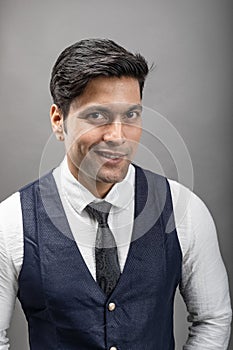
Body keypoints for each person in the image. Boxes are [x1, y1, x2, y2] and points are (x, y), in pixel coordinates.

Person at [0, 38, 231, 350]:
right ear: (58, 121)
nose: (118, 136)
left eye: (131, 115)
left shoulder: (184, 209)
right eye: (97, 116)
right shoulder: (11, 221)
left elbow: (212, 320)